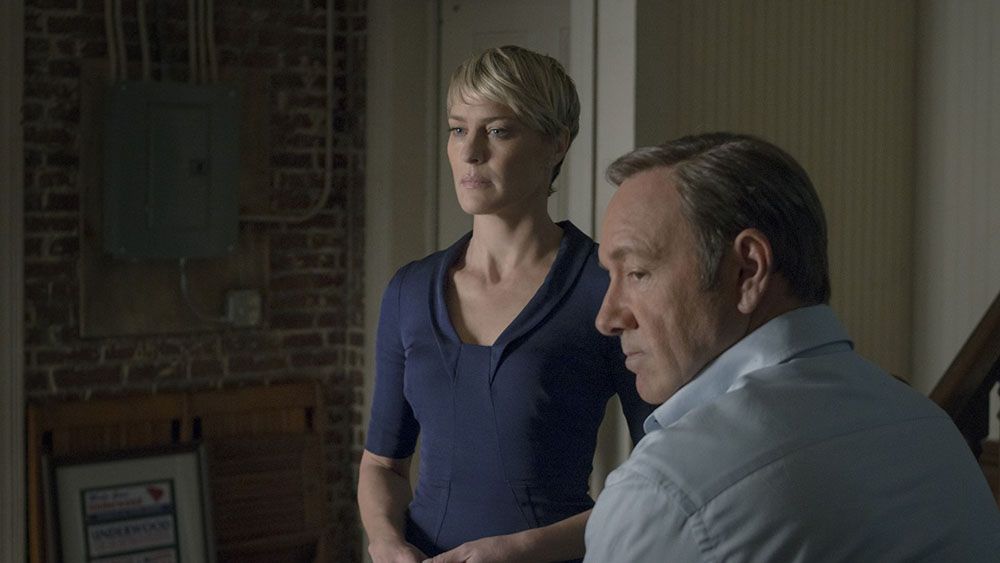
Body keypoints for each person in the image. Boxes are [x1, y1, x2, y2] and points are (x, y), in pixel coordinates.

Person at [585, 132, 1000, 561]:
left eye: (636, 273)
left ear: (747, 271)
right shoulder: (933, 431)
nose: (607, 318)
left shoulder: (666, 495)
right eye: (609, 276)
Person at [358, 45, 652, 563]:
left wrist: (521, 548)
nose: (471, 152)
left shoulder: (606, 288)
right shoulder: (409, 291)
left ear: (556, 144)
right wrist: (385, 542)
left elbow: (661, 479)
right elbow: (382, 465)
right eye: (457, 129)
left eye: (498, 131)